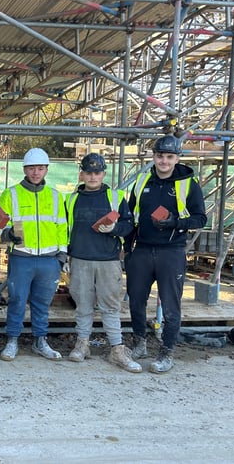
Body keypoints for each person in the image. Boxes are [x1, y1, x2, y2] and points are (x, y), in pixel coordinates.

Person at [125, 135, 206, 374]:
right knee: (136, 300)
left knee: (171, 305)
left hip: (171, 251)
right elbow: (130, 216)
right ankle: (139, 343)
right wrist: (127, 249)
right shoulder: (141, 181)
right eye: (160, 156)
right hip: (141, 249)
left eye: (169, 157)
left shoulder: (187, 183)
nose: (164, 161)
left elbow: (201, 218)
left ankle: (167, 351)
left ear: (177, 158)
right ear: (154, 157)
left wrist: (175, 222)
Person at [66, 153, 141, 373]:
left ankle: (117, 349)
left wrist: (115, 229)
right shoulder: (72, 199)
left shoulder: (116, 197)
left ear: (104, 174)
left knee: (110, 306)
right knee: (83, 305)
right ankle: (82, 344)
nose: (92, 176)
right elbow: (67, 228)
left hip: (108, 260)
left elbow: (129, 226)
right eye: (88, 172)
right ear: (81, 174)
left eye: (96, 172)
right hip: (80, 259)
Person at [0, 148, 68, 362]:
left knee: (42, 302)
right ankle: (12, 339)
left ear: (46, 169)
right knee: (17, 300)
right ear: (24, 169)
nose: (35, 172)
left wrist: (62, 255)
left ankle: (40, 339)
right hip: (21, 257)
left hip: (49, 260)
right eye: (31, 168)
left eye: (40, 168)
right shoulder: (11, 194)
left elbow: (62, 227)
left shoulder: (55, 196)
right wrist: (6, 233)